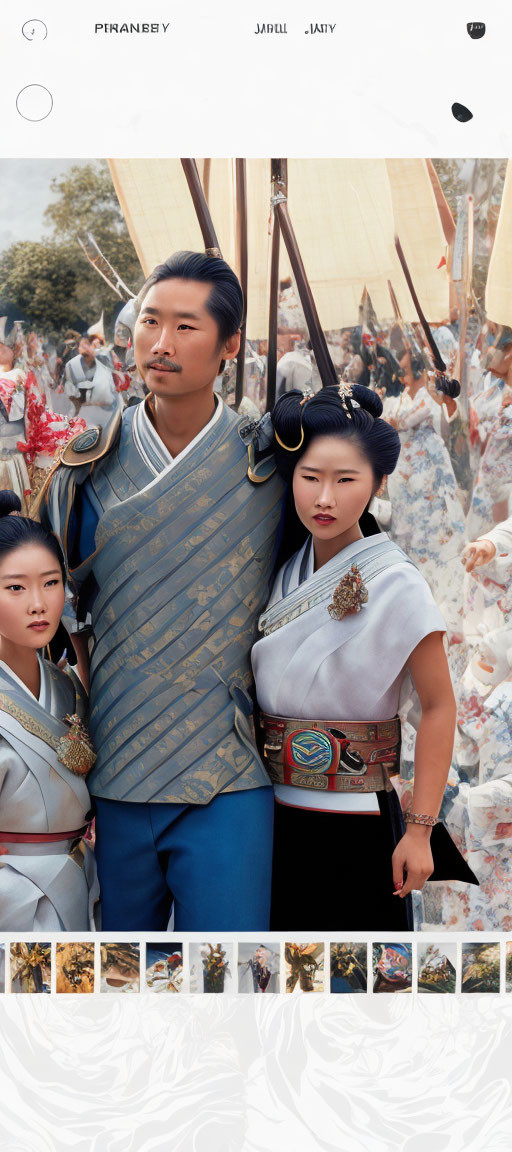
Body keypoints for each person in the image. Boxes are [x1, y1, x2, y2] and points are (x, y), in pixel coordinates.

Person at [39, 250, 283, 932]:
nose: (161, 344)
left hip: (228, 770)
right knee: (123, 993)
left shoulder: (272, 463)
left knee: (229, 989)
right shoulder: (86, 465)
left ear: (230, 344)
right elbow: (47, 616)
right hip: (114, 764)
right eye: (150, 322)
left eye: (186, 326)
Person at [252, 384, 476, 931]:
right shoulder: (281, 568)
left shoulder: (398, 582)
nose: (324, 498)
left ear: (377, 483)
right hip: (269, 815)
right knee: (280, 985)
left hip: (358, 814)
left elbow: (439, 706)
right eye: (310, 478)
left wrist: (420, 830)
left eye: (346, 480)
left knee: (361, 990)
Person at [0, 490, 97, 931]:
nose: (38, 603)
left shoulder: (68, 688)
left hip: (80, 884)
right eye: (16, 587)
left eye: (51, 582)